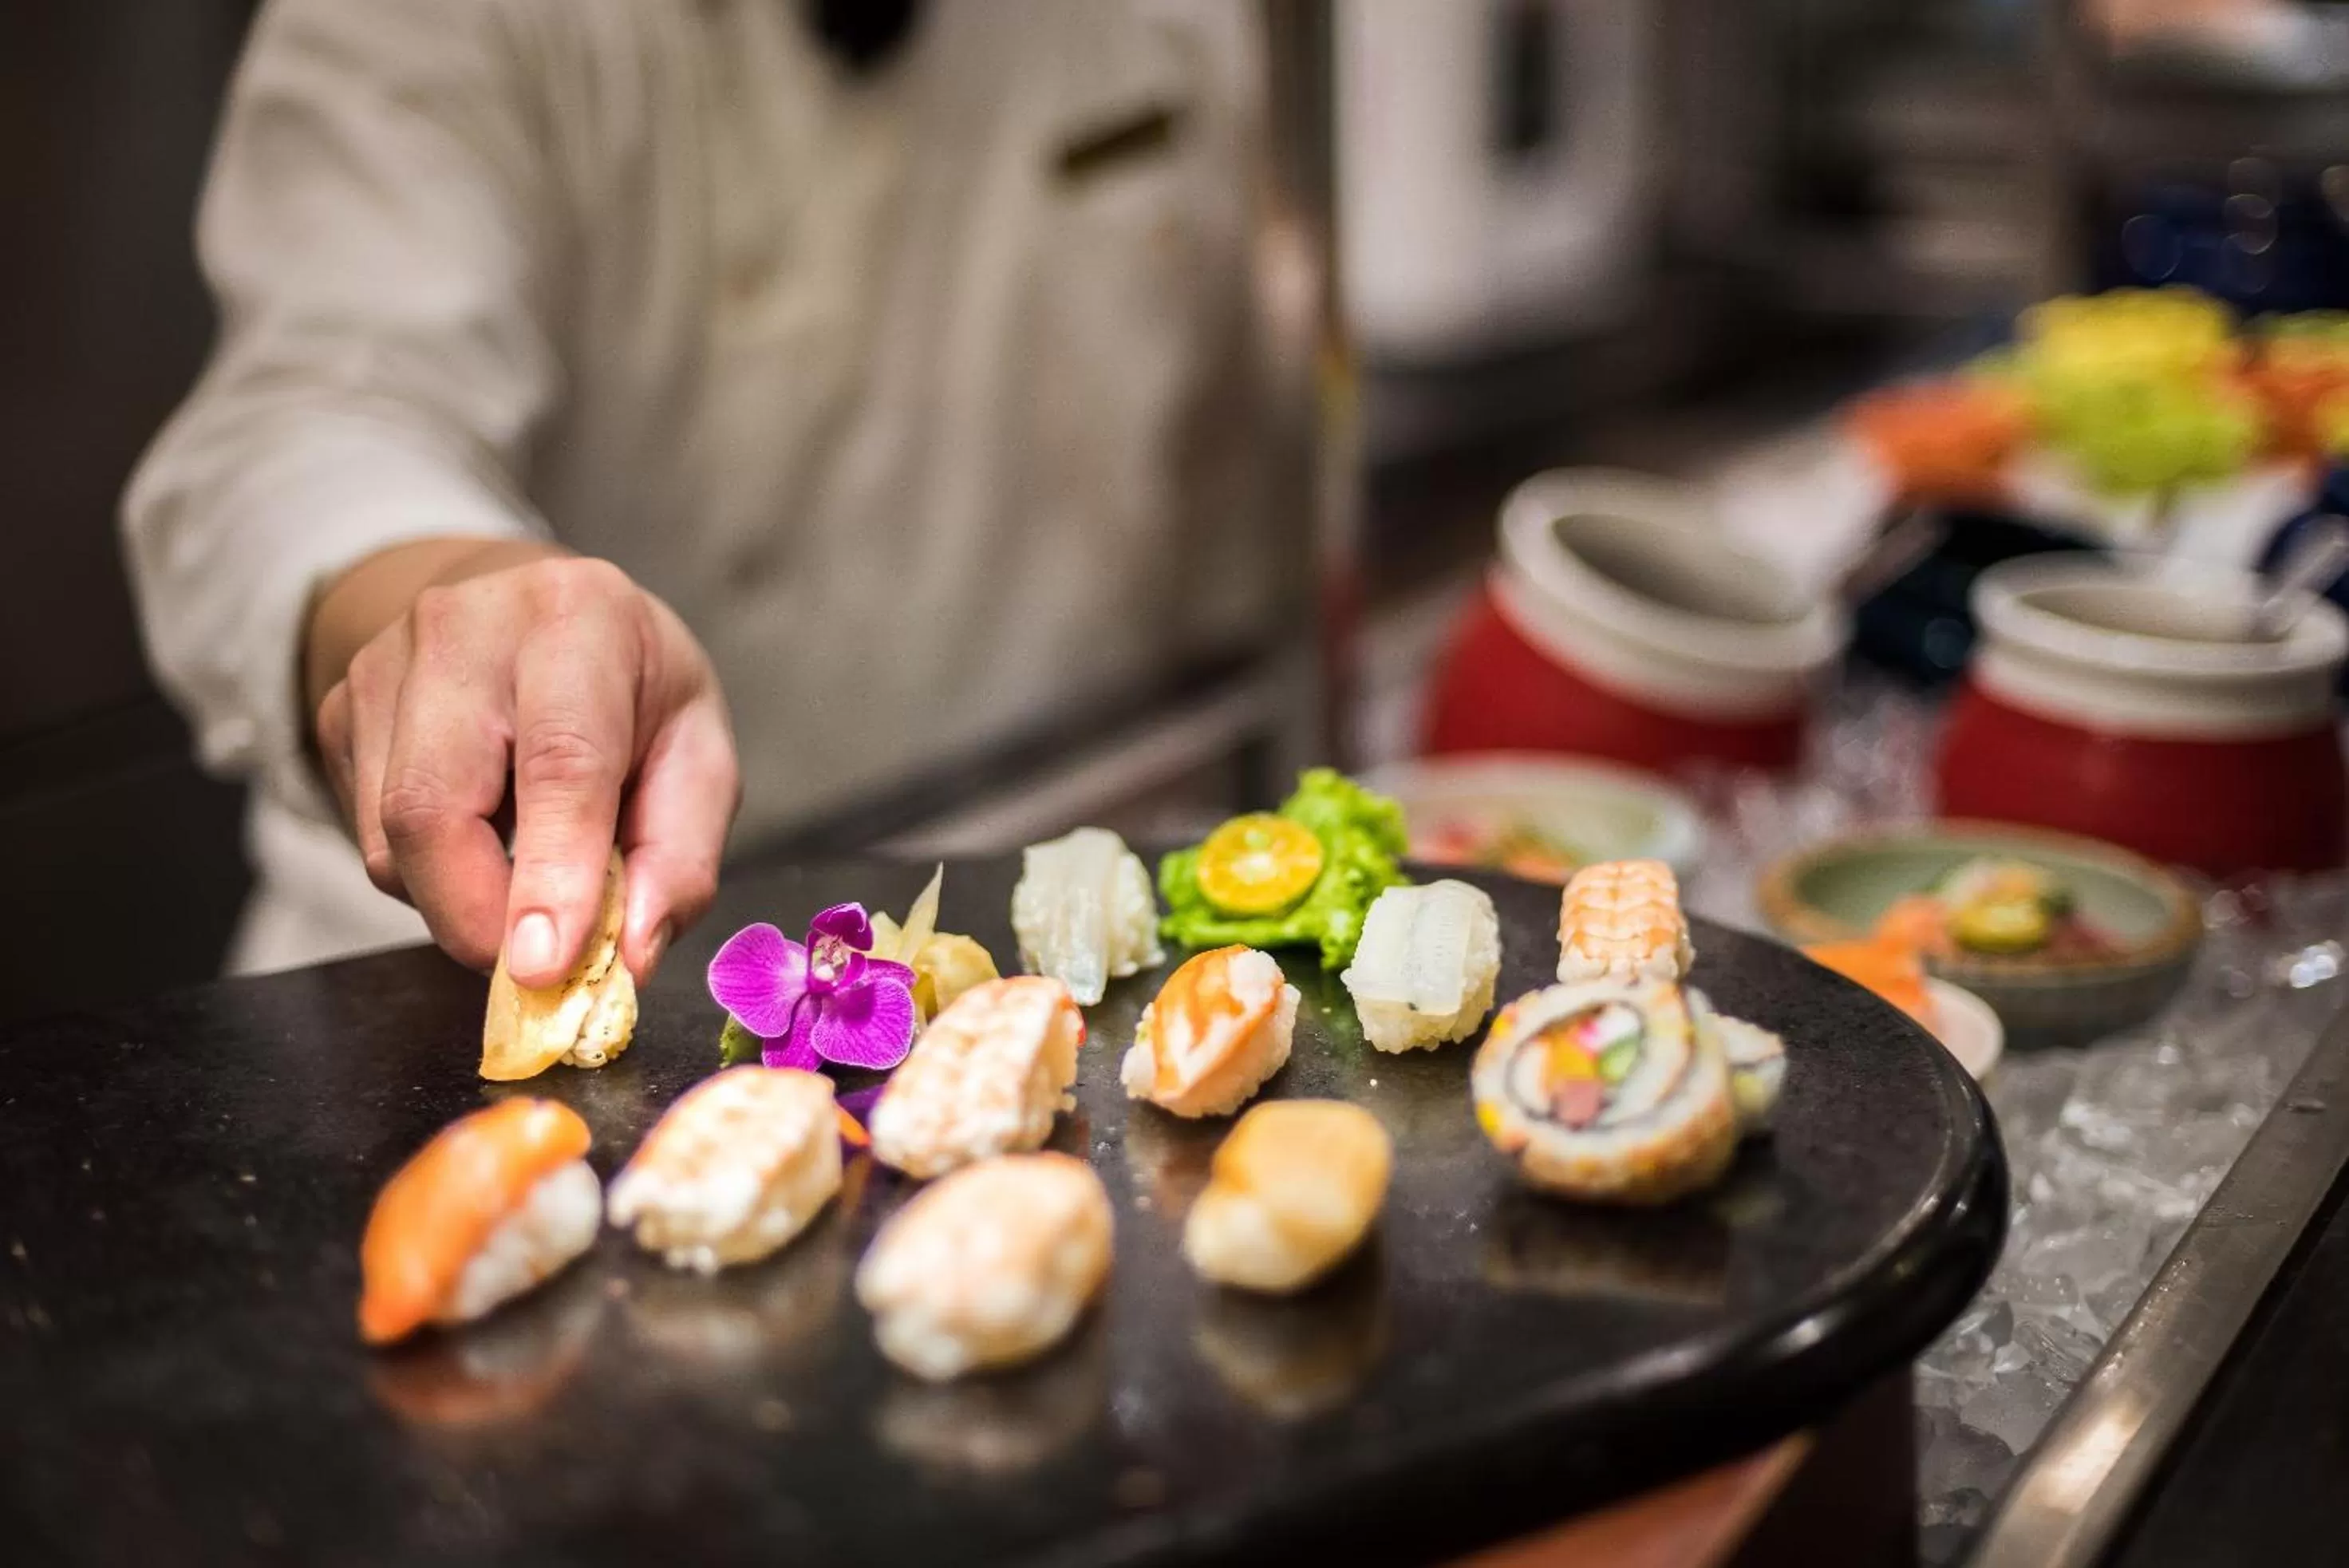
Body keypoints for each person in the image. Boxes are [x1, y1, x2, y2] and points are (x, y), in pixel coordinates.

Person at [124, 0, 1278, 991]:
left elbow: (1251, 425)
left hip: (1058, 924)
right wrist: (470, 599)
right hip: (471, 988)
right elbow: (313, 419)